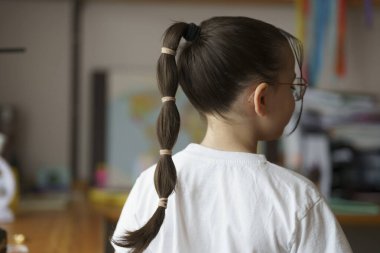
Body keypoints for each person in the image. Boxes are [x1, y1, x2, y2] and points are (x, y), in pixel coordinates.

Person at [111, 16, 352, 253]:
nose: (295, 96)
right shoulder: (296, 197)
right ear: (262, 98)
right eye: (292, 87)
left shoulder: (149, 185)